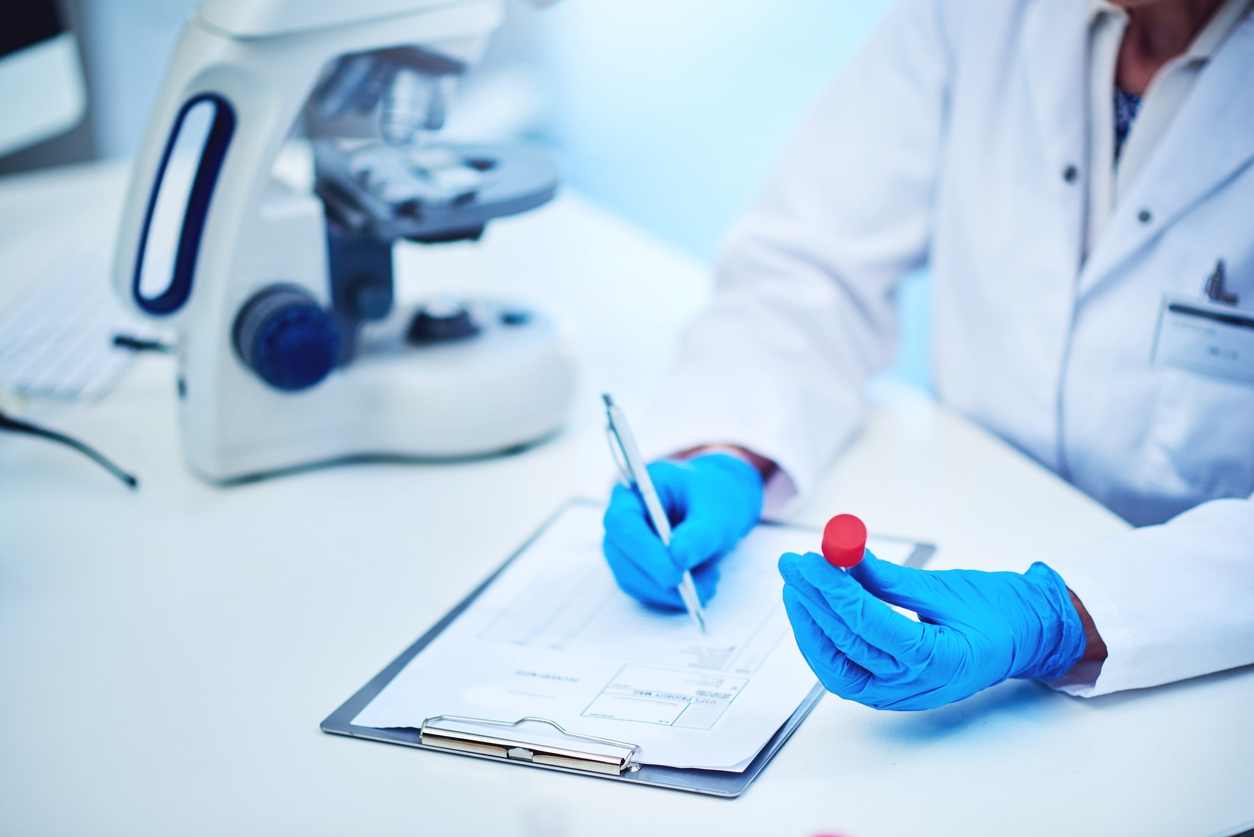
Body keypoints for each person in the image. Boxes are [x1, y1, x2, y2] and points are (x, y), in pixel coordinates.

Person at [602, 0, 1254, 709]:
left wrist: (1071, 614)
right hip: (966, 531)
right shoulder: (974, 15)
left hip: (1207, 677)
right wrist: (725, 446)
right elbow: (810, 263)